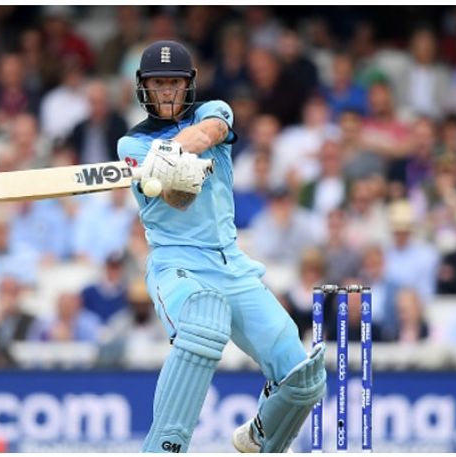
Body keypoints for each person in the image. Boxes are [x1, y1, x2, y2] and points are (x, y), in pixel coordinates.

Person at [117, 40, 325, 453]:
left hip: (232, 264)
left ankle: (259, 438)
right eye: (158, 83)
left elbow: (209, 131)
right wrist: (165, 168)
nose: (167, 92)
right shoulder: (132, 145)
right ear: (144, 87)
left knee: (304, 379)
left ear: (189, 84)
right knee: (203, 323)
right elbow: (179, 199)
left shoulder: (215, 111)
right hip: (177, 265)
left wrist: (173, 152)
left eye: (174, 83)